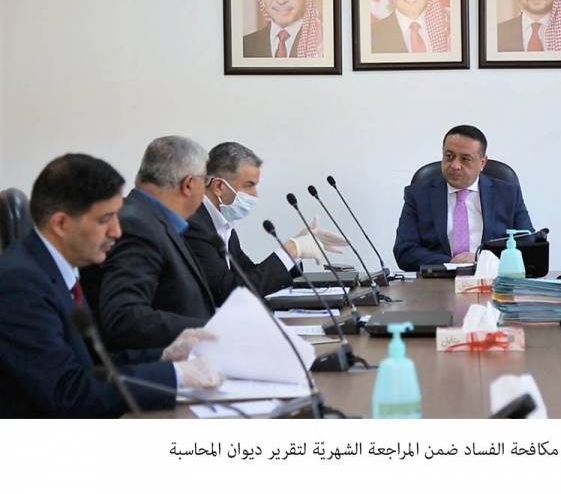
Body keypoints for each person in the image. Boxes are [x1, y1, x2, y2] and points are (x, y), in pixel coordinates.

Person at [0, 154, 222, 418]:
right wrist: (174, 376)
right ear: (61, 224)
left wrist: (164, 356)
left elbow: (93, 364)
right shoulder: (21, 284)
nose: (116, 231)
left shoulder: (57, 270)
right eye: (105, 219)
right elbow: (68, 393)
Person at [82, 136, 216, 351]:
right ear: (189, 184)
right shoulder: (136, 226)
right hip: (154, 365)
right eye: (205, 181)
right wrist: (213, 330)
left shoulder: (150, 219)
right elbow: (125, 316)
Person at [184, 142, 349, 305]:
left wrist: (295, 254)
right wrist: (291, 250)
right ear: (219, 186)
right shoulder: (194, 225)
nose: (255, 194)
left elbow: (249, 275)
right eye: (249, 185)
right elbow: (227, 293)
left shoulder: (223, 224)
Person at [393, 125, 533, 271]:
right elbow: (404, 251)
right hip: (437, 279)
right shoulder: (418, 195)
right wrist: (452, 263)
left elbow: (529, 247)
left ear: (482, 163)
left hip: (492, 278)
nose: (455, 165)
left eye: (465, 159)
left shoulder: (508, 194)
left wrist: (482, 259)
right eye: (449, 156)